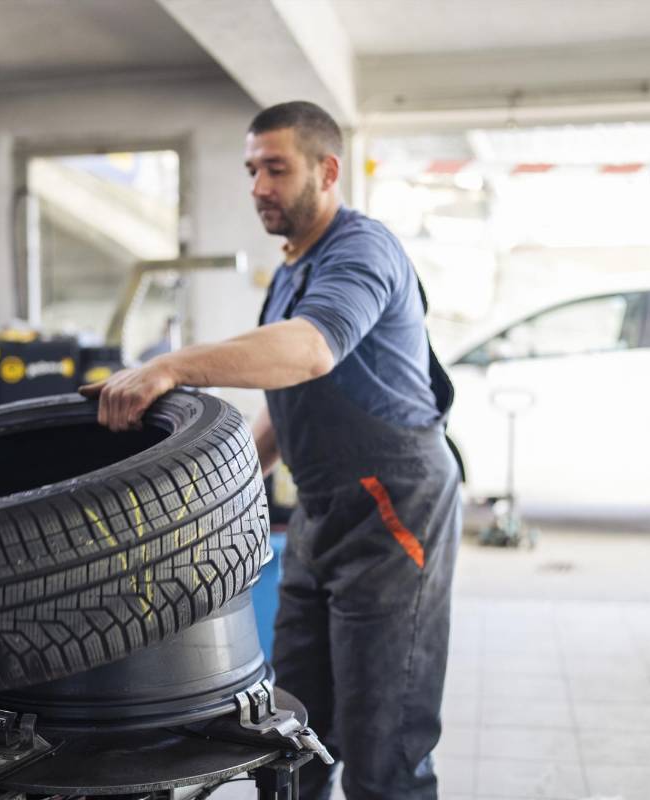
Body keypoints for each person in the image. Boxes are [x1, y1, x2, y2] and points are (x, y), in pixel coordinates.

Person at [80, 100, 461, 800]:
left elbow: (311, 351)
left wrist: (174, 365)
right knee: (291, 729)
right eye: (252, 169)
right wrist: (219, 494)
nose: (258, 186)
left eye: (276, 168)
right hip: (321, 512)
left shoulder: (361, 249)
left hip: (392, 509)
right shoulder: (293, 269)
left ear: (328, 170)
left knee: (385, 741)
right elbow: (293, 404)